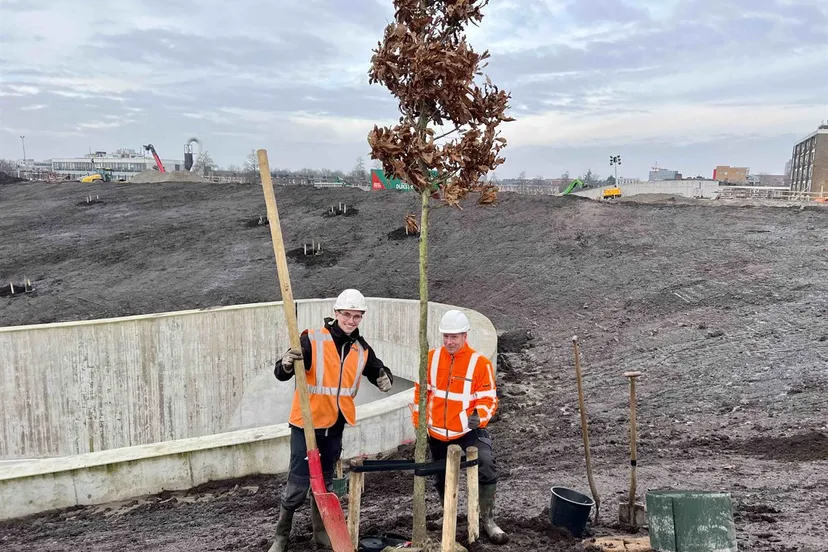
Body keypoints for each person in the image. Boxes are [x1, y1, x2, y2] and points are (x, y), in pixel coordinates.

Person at [269, 289, 394, 552]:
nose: (351, 320)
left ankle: (321, 533)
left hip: (335, 426)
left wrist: (385, 377)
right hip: (306, 424)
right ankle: (281, 537)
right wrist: (287, 363)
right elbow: (281, 373)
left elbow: (378, 370)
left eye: (356, 316)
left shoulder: (361, 348)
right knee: (298, 484)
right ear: (336, 313)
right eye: (347, 314)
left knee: (325, 484)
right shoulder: (312, 339)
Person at [411, 309, 508, 544]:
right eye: (445, 336)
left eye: (454, 337)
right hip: (437, 433)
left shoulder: (479, 363)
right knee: (440, 475)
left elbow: (488, 399)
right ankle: (449, 514)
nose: (449, 342)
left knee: (486, 462)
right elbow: (420, 395)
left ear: (465, 336)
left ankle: (487, 519)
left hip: (467, 431)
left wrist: (479, 417)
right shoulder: (431, 359)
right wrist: (419, 426)